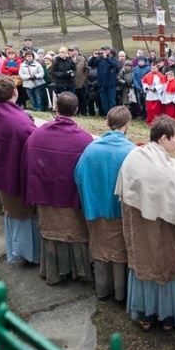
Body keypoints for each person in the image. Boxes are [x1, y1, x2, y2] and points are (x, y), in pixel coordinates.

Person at [115, 115, 175, 332]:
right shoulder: (164, 171)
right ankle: (167, 318)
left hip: (137, 226)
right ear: (163, 138)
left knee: (144, 266)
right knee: (165, 268)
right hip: (159, 229)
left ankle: (146, 314)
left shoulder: (136, 154)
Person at [21, 92, 94, 285]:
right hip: (71, 198)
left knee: (53, 231)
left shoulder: (38, 134)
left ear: (56, 109)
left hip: (46, 194)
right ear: (76, 110)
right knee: (74, 232)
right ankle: (79, 270)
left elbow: (26, 164)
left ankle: (53, 272)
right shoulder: (85, 140)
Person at [0, 77, 40, 264]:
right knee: (23, 215)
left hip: (1, 174)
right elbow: (32, 145)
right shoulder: (20, 121)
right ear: (15, 92)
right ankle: (29, 255)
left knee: (11, 212)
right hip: (17, 176)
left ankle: (17, 251)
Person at [75, 106, 135, 300]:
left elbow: (78, 175)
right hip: (119, 211)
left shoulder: (91, 148)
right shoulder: (131, 151)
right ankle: (121, 292)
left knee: (101, 249)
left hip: (95, 208)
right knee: (120, 252)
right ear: (127, 125)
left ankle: (102, 288)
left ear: (107, 123)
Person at [88, 46, 119, 115]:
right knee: (104, 101)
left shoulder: (112, 59)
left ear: (108, 51)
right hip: (101, 84)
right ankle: (107, 114)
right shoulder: (99, 60)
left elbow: (114, 65)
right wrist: (93, 57)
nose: (103, 51)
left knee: (111, 100)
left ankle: (112, 114)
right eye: (102, 50)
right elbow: (90, 64)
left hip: (110, 84)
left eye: (104, 50)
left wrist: (106, 58)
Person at [142, 60, 167, 125]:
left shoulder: (161, 76)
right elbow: (144, 83)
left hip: (157, 95)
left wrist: (155, 88)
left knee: (156, 110)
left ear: (157, 68)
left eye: (154, 68)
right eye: (152, 68)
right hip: (149, 95)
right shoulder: (147, 75)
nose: (153, 69)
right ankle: (150, 121)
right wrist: (147, 87)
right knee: (149, 109)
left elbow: (163, 85)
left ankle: (156, 122)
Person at [68, 45, 91, 116]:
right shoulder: (68, 60)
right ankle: (75, 112)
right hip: (71, 83)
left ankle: (84, 112)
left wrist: (84, 78)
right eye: (70, 50)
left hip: (81, 83)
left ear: (77, 51)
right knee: (73, 99)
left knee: (82, 99)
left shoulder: (82, 59)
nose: (71, 52)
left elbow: (86, 69)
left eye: (73, 50)